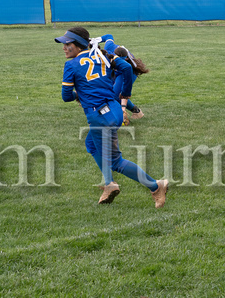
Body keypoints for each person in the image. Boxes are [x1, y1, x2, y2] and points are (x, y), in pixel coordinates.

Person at [55, 27, 168, 208]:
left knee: (116, 161)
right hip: (115, 111)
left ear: (78, 45)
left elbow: (66, 96)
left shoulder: (71, 65)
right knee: (91, 144)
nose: (64, 47)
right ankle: (109, 183)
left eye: (67, 44)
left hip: (100, 117)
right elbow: (125, 67)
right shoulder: (102, 54)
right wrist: (125, 94)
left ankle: (153, 186)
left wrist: (79, 95)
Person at [100, 34, 147, 122]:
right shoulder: (108, 47)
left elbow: (125, 92)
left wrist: (123, 109)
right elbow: (109, 36)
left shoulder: (126, 67)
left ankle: (135, 112)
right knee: (107, 92)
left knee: (115, 95)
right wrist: (95, 39)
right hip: (116, 71)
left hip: (128, 72)